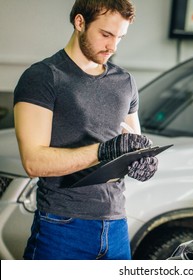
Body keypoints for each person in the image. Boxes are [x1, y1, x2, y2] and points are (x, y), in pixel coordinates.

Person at [13, 0, 158, 260]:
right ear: (80, 22)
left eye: (120, 38)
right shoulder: (44, 77)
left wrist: (144, 162)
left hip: (116, 224)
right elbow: (33, 162)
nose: (112, 46)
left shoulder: (124, 82)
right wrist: (104, 150)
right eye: (105, 34)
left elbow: (134, 144)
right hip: (62, 225)